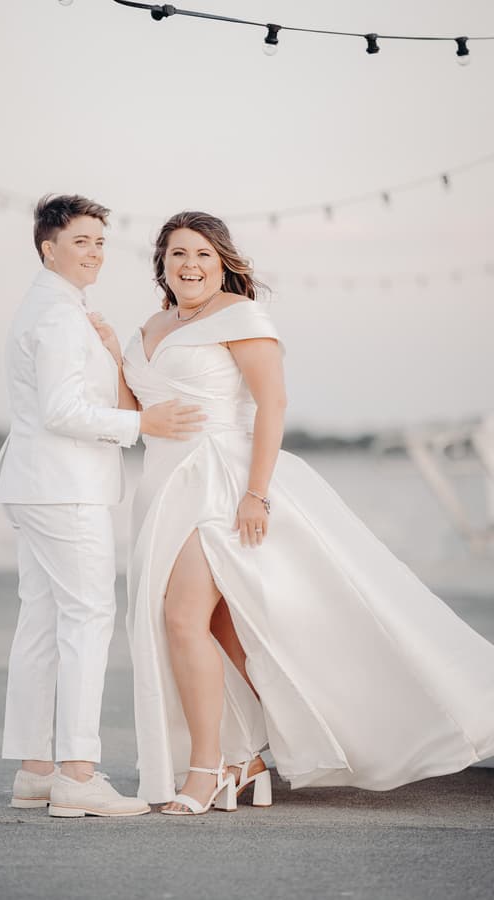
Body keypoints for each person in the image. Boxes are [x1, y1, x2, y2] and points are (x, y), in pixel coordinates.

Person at [101, 209, 494, 815]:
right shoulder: (150, 326)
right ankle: (247, 756)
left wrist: (255, 494)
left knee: (182, 619)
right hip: (162, 487)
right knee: (222, 630)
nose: (191, 265)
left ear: (224, 262)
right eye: (178, 253)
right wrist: (111, 355)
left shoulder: (240, 316)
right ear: (162, 263)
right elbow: (138, 413)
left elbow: (273, 404)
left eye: (203, 254)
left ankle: (207, 769)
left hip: (219, 481)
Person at [0, 194, 204, 818]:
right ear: (48, 247)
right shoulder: (57, 315)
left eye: (100, 242)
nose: (95, 253)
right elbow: (61, 411)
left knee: (42, 621)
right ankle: (78, 775)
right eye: (81, 241)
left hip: (37, 484)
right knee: (87, 620)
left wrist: (110, 353)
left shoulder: (53, 307)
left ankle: (35, 771)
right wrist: (142, 424)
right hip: (65, 486)